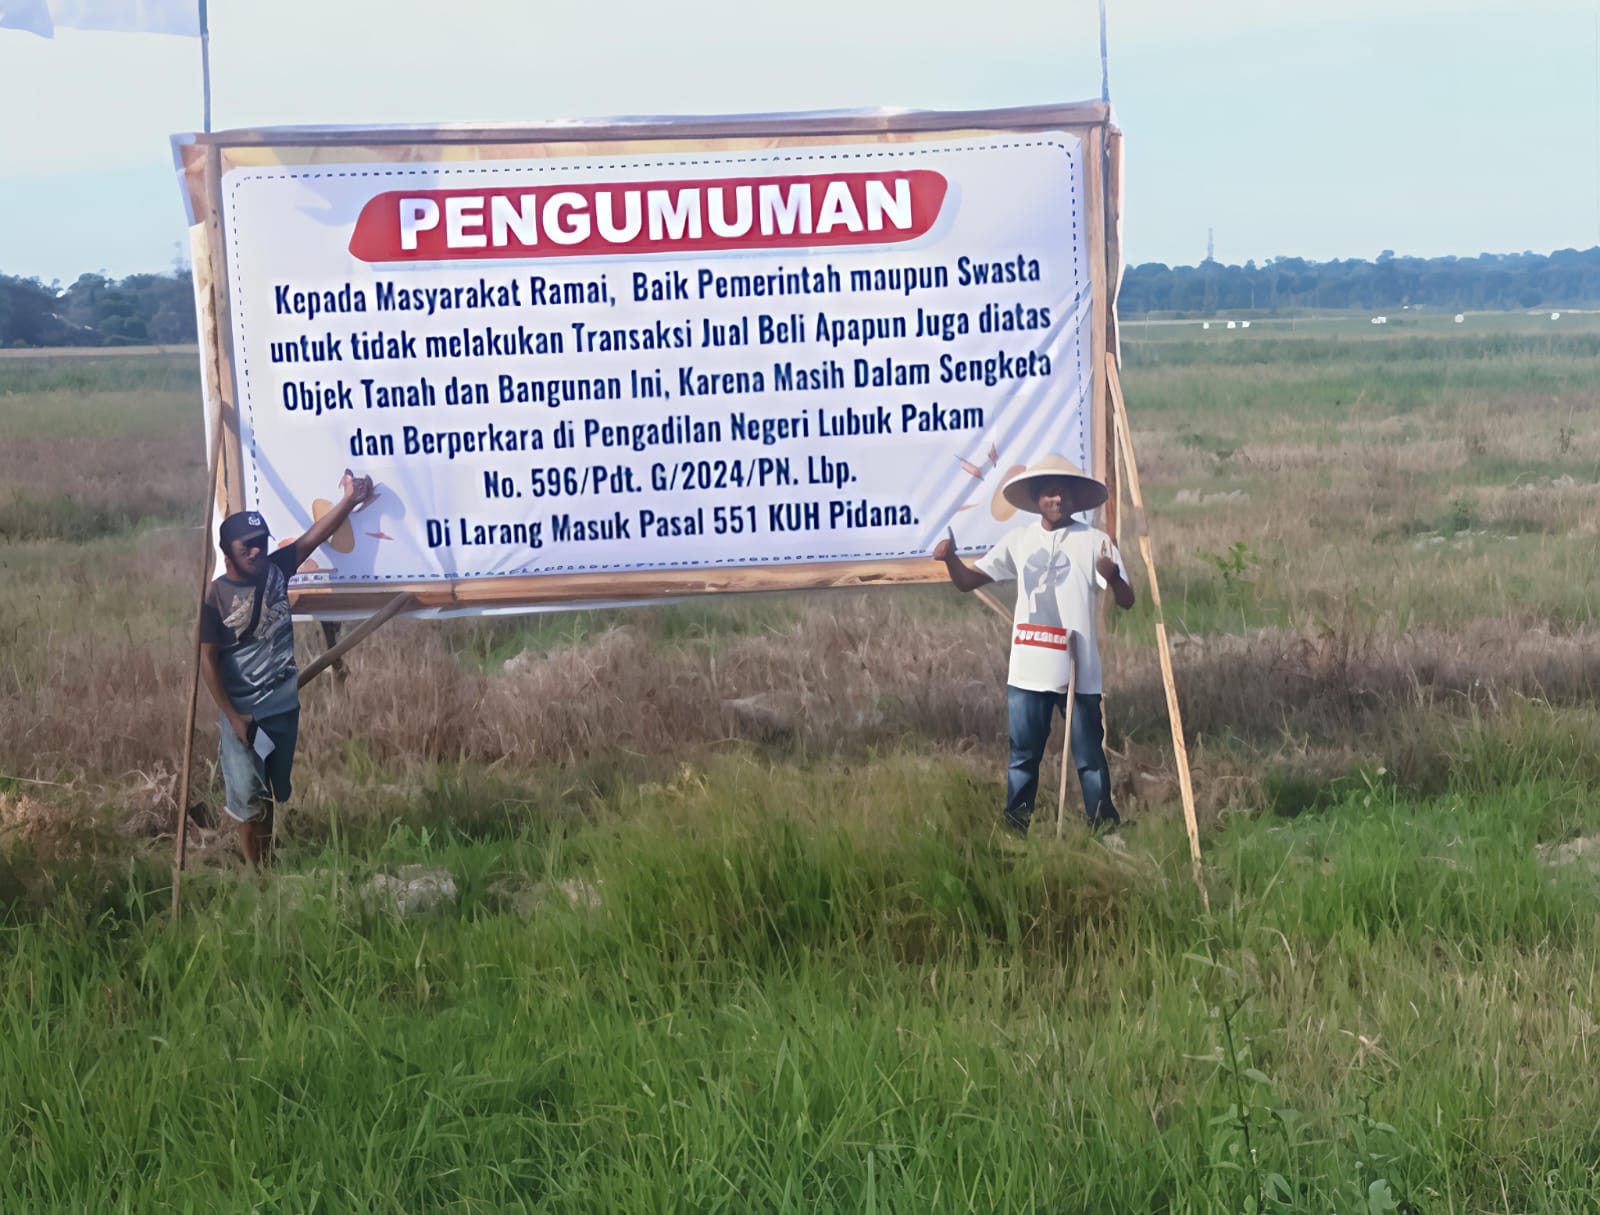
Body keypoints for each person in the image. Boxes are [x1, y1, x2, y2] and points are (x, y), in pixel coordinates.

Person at [933, 455, 1135, 835]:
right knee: (1023, 758)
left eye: (1064, 491)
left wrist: (1113, 578)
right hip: (1028, 671)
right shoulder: (1020, 541)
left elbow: (1127, 600)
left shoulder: (1095, 542)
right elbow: (967, 582)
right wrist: (951, 560)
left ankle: (1104, 831)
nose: (1056, 499)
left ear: (1075, 498)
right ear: (1037, 498)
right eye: (1049, 492)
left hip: (1080, 671)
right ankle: (1016, 830)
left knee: (1090, 758)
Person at [199, 470, 375, 863]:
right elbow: (207, 661)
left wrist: (348, 499)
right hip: (244, 713)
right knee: (248, 795)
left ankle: (268, 858)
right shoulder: (215, 599)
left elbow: (314, 535)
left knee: (271, 789)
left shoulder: (278, 569)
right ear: (228, 555)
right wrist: (234, 716)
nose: (258, 552)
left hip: (281, 709)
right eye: (248, 549)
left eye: (261, 544)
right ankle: (257, 877)